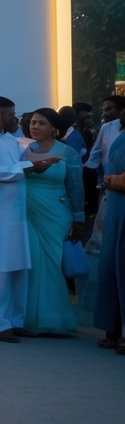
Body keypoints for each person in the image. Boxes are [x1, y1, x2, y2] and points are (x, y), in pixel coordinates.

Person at [0, 96, 61, 342]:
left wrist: (38, 163)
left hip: (16, 215)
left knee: (17, 269)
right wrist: (27, 168)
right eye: (11, 114)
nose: (15, 119)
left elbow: (27, 157)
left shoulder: (9, 139)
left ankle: (14, 320)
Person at [22, 107, 83, 335]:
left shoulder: (67, 153)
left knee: (51, 264)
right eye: (33, 122)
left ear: (55, 129)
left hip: (55, 214)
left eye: (41, 123)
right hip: (28, 213)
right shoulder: (25, 150)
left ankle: (54, 319)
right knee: (33, 264)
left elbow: (76, 187)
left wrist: (78, 217)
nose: (35, 127)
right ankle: (30, 319)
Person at [95, 123, 125, 352]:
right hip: (115, 206)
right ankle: (113, 328)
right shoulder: (118, 134)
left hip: (119, 201)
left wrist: (111, 181)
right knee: (111, 267)